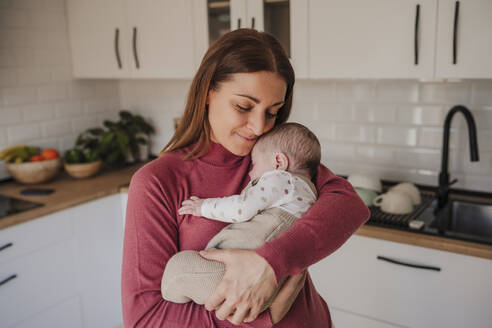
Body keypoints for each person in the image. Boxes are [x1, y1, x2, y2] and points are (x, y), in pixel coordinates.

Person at [121, 28, 370, 327]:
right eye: (244, 106)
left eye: (272, 112)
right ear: (207, 93)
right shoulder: (158, 182)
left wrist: (270, 262)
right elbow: (145, 319)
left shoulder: (273, 158)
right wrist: (265, 317)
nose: (258, 127)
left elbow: (350, 206)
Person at [161, 123, 320, 309]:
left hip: (231, 275)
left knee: (180, 267)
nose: (251, 172)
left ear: (279, 162)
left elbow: (242, 208)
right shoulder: (311, 192)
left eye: (255, 164)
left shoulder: (282, 179)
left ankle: (178, 300)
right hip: (270, 288)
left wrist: (202, 206)